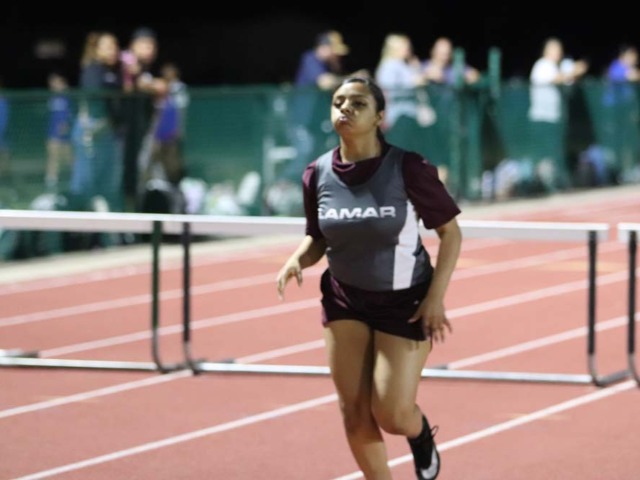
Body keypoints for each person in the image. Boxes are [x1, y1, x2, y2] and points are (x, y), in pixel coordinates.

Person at [276, 76, 462, 480]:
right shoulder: (316, 173)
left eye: (358, 103)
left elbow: (451, 233)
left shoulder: (408, 167)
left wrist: (435, 298)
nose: (345, 108)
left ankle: (418, 433)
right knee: (354, 410)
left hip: (405, 302)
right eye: (338, 101)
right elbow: (318, 237)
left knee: (391, 414)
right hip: (345, 299)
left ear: (379, 117)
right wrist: (298, 259)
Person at [283, 30, 368, 183]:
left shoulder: (328, 66)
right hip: (300, 120)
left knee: (323, 154)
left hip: (316, 123)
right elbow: (324, 82)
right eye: (334, 51)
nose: (337, 56)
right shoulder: (310, 59)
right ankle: (281, 184)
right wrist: (352, 78)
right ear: (324, 48)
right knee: (305, 151)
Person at [528, 37, 588, 191]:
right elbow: (557, 79)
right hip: (542, 119)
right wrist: (573, 70)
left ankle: (554, 183)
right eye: (555, 49)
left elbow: (566, 80)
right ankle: (541, 186)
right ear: (546, 51)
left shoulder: (556, 66)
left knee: (554, 153)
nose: (558, 53)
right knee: (544, 154)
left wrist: (574, 72)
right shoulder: (543, 65)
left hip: (553, 118)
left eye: (559, 49)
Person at [374, 33, 430, 153]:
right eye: (405, 46)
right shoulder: (389, 65)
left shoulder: (405, 65)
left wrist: (416, 69)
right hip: (397, 116)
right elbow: (387, 87)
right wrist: (414, 83)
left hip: (410, 114)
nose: (409, 49)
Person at [44, 71, 73, 189]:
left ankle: (76, 179)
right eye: (52, 83)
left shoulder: (69, 97)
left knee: (69, 158)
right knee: (53, 156)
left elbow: (72, 114)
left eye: (57, 82)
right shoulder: (51, 97)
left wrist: (67, 125)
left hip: (67, 133)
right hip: (53, 132)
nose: (54, 85)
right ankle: (51, 181)